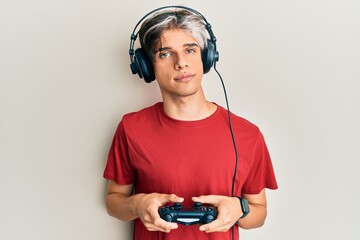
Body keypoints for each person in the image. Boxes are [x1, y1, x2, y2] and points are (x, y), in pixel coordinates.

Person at [103, 6, 278, 240]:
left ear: (207, 57)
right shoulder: (131, 128)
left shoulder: (247, 134)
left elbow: (260, 212)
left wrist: (239, 209)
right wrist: (138, 203)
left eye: (190, 50)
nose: (181, 63)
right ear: (147, 66)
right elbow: (114, 201)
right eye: (165, 54)